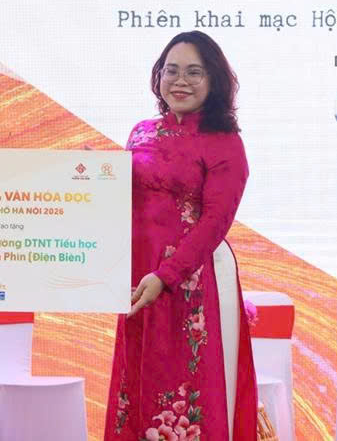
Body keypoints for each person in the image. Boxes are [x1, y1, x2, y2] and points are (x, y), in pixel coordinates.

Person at [105, 31, 257, 441]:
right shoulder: (141, 132)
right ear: (158, 76)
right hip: (139, 280)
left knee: (186, 390)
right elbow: (124, 200)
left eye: (194, 72)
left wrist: (167, 275)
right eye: (171, 71)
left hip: (192, 282)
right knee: (136, 383)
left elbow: (215, 222)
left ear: (214, 80)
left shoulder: (224, 141)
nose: (180, 81)